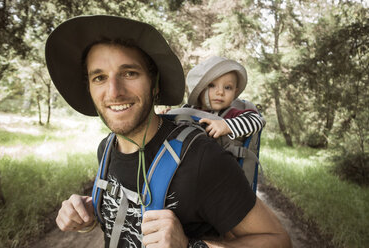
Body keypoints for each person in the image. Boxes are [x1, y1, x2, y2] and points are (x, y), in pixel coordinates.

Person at [46, 15, 291, 248]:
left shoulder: (200, 159)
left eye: (129, 73)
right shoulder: (107, 148)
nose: (113, 92)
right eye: (99, 77)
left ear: (155, 86)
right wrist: (89, 212)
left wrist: (189, 244)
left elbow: (278, 241)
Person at [184, 56, 265, 140]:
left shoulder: (231, 114)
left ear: (235, 92)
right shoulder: (187, 109)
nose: (220, 92)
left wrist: (226, 125)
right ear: (199, 89)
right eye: (212, 85)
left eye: (227, 87)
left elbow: (257, 121)